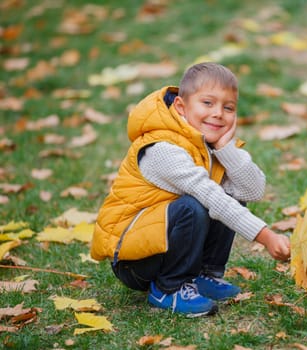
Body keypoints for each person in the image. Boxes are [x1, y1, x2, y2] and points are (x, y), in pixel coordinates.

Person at [90, 62, 290, 317]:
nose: (218, 113)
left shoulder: (205, 144)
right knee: (195, 206)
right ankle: (169, 287)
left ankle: (202, 276)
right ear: (181, 107)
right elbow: (211, 197)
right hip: (135, 261)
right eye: (207, 103)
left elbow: (252, 190)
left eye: (228, 107)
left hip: (161, 243)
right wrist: (267, 237)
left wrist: (226, 148)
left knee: (231, 196)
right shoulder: (162, 148)